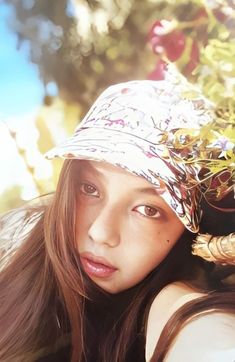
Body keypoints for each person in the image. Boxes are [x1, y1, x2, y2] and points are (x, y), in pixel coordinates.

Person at [0, 64, 235, 362]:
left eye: (147, 209)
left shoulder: (178, 301)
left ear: (189, 229)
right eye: (90, 189)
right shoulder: (14, 241)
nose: (100, 232)